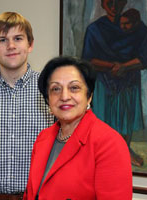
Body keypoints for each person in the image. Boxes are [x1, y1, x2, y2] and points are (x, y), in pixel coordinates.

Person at [24, 56, 132, 200]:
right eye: (55, 89)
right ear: (48, 100)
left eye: (74, 88)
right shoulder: (43, 137)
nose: (64, 96)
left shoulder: (110, 143)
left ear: (89, 97)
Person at [0, 12, 54, 199]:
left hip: (38, 196)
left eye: (18, 38)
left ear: (30, 44)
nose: (11, 46)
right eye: (2, 40)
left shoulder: (51, 89)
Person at [82, 0, 147, 166]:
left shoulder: (139, 28)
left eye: (117, 2)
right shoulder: (94, 29)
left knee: (127, 115)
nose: (113, 7)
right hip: (104, 81)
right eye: (109, 2)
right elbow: (88, 60)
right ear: (102, 4)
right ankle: (103, 152)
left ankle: (125, 148)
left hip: (129, 80)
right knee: (103, 118)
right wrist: (113, 66)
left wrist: (125, 67)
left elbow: (144, 58)